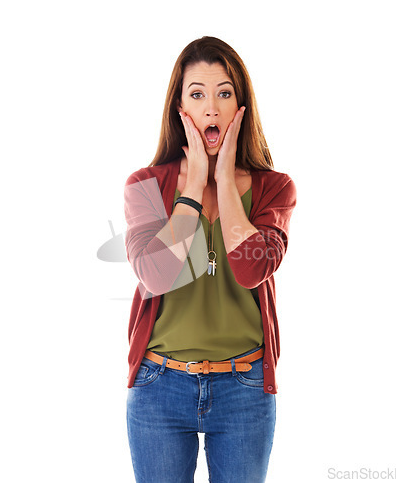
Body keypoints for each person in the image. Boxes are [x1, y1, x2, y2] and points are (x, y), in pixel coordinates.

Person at [123, 36, 297, 483]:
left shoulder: (275, 188)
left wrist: (223, 178)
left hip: (245, 388)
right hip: (159, 386)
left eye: (224, 93)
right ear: (179, 107)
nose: (212, 108)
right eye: (197, 94)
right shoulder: (145, 185)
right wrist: (193, 184)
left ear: (242, 105)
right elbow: (155, 275)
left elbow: (250, 268)